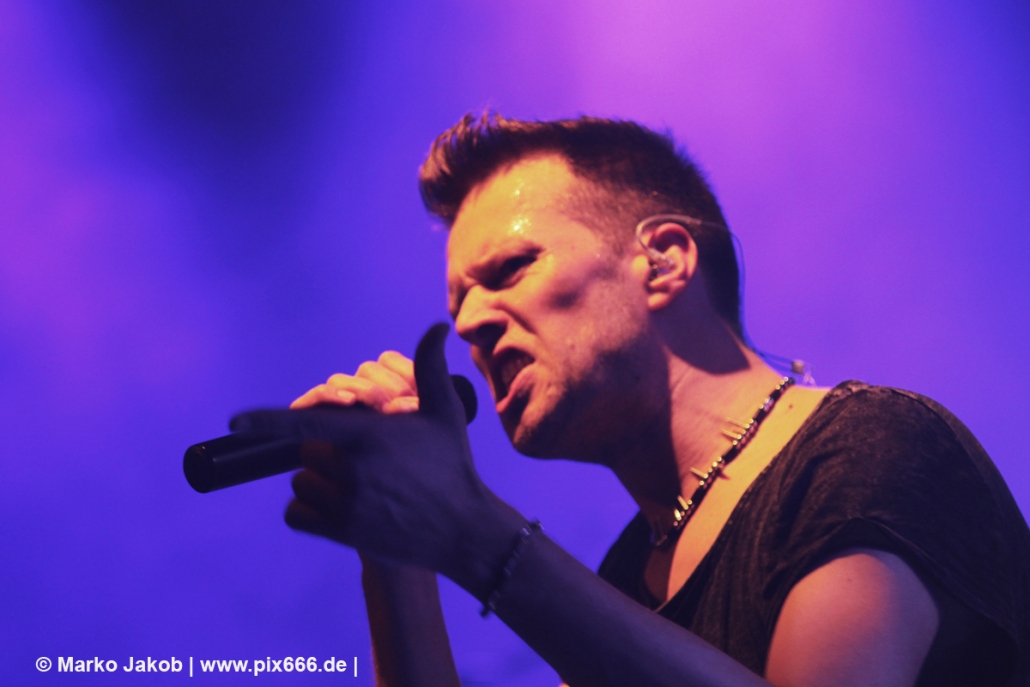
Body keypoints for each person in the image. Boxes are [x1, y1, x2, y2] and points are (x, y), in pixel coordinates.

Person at [232, 113, 1030, 686]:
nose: (470, 322)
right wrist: (399, 551)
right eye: (458, 303)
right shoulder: (626, 579)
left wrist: (473, 532)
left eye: (510, 269)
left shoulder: (869, 447)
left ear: (664, 261)